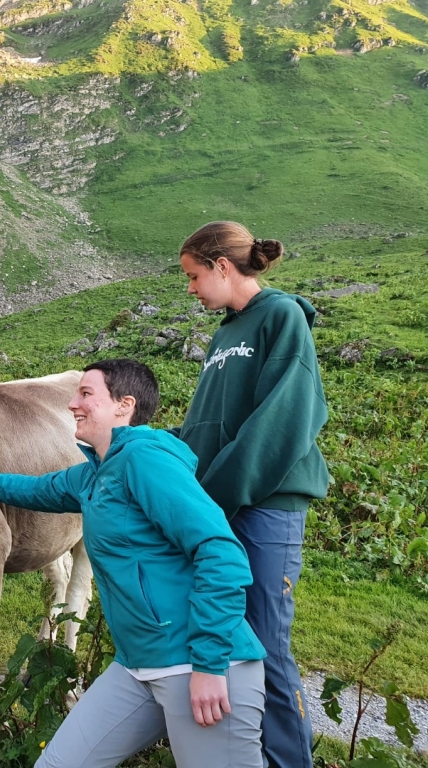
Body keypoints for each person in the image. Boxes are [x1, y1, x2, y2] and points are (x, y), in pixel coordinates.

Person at [0, 359, 267, 768]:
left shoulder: (146, 461)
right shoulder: (93, 474)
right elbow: (35, 489)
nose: (72, 404)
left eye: (85, 394)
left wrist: (209, 664)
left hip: (200, 664)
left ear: (123, 405)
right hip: (137, 666)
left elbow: (221, 552)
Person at [176, 221, 330, 768]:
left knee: (266, 642)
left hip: (267, 504)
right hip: (220, 503)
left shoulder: (282, 317)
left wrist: (211, 494)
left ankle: (290, 758)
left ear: (222, 266)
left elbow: (286, 419)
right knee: (226, 633)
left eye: (194, 276)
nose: (190, 289)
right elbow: (206, 426)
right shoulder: (225, 332)